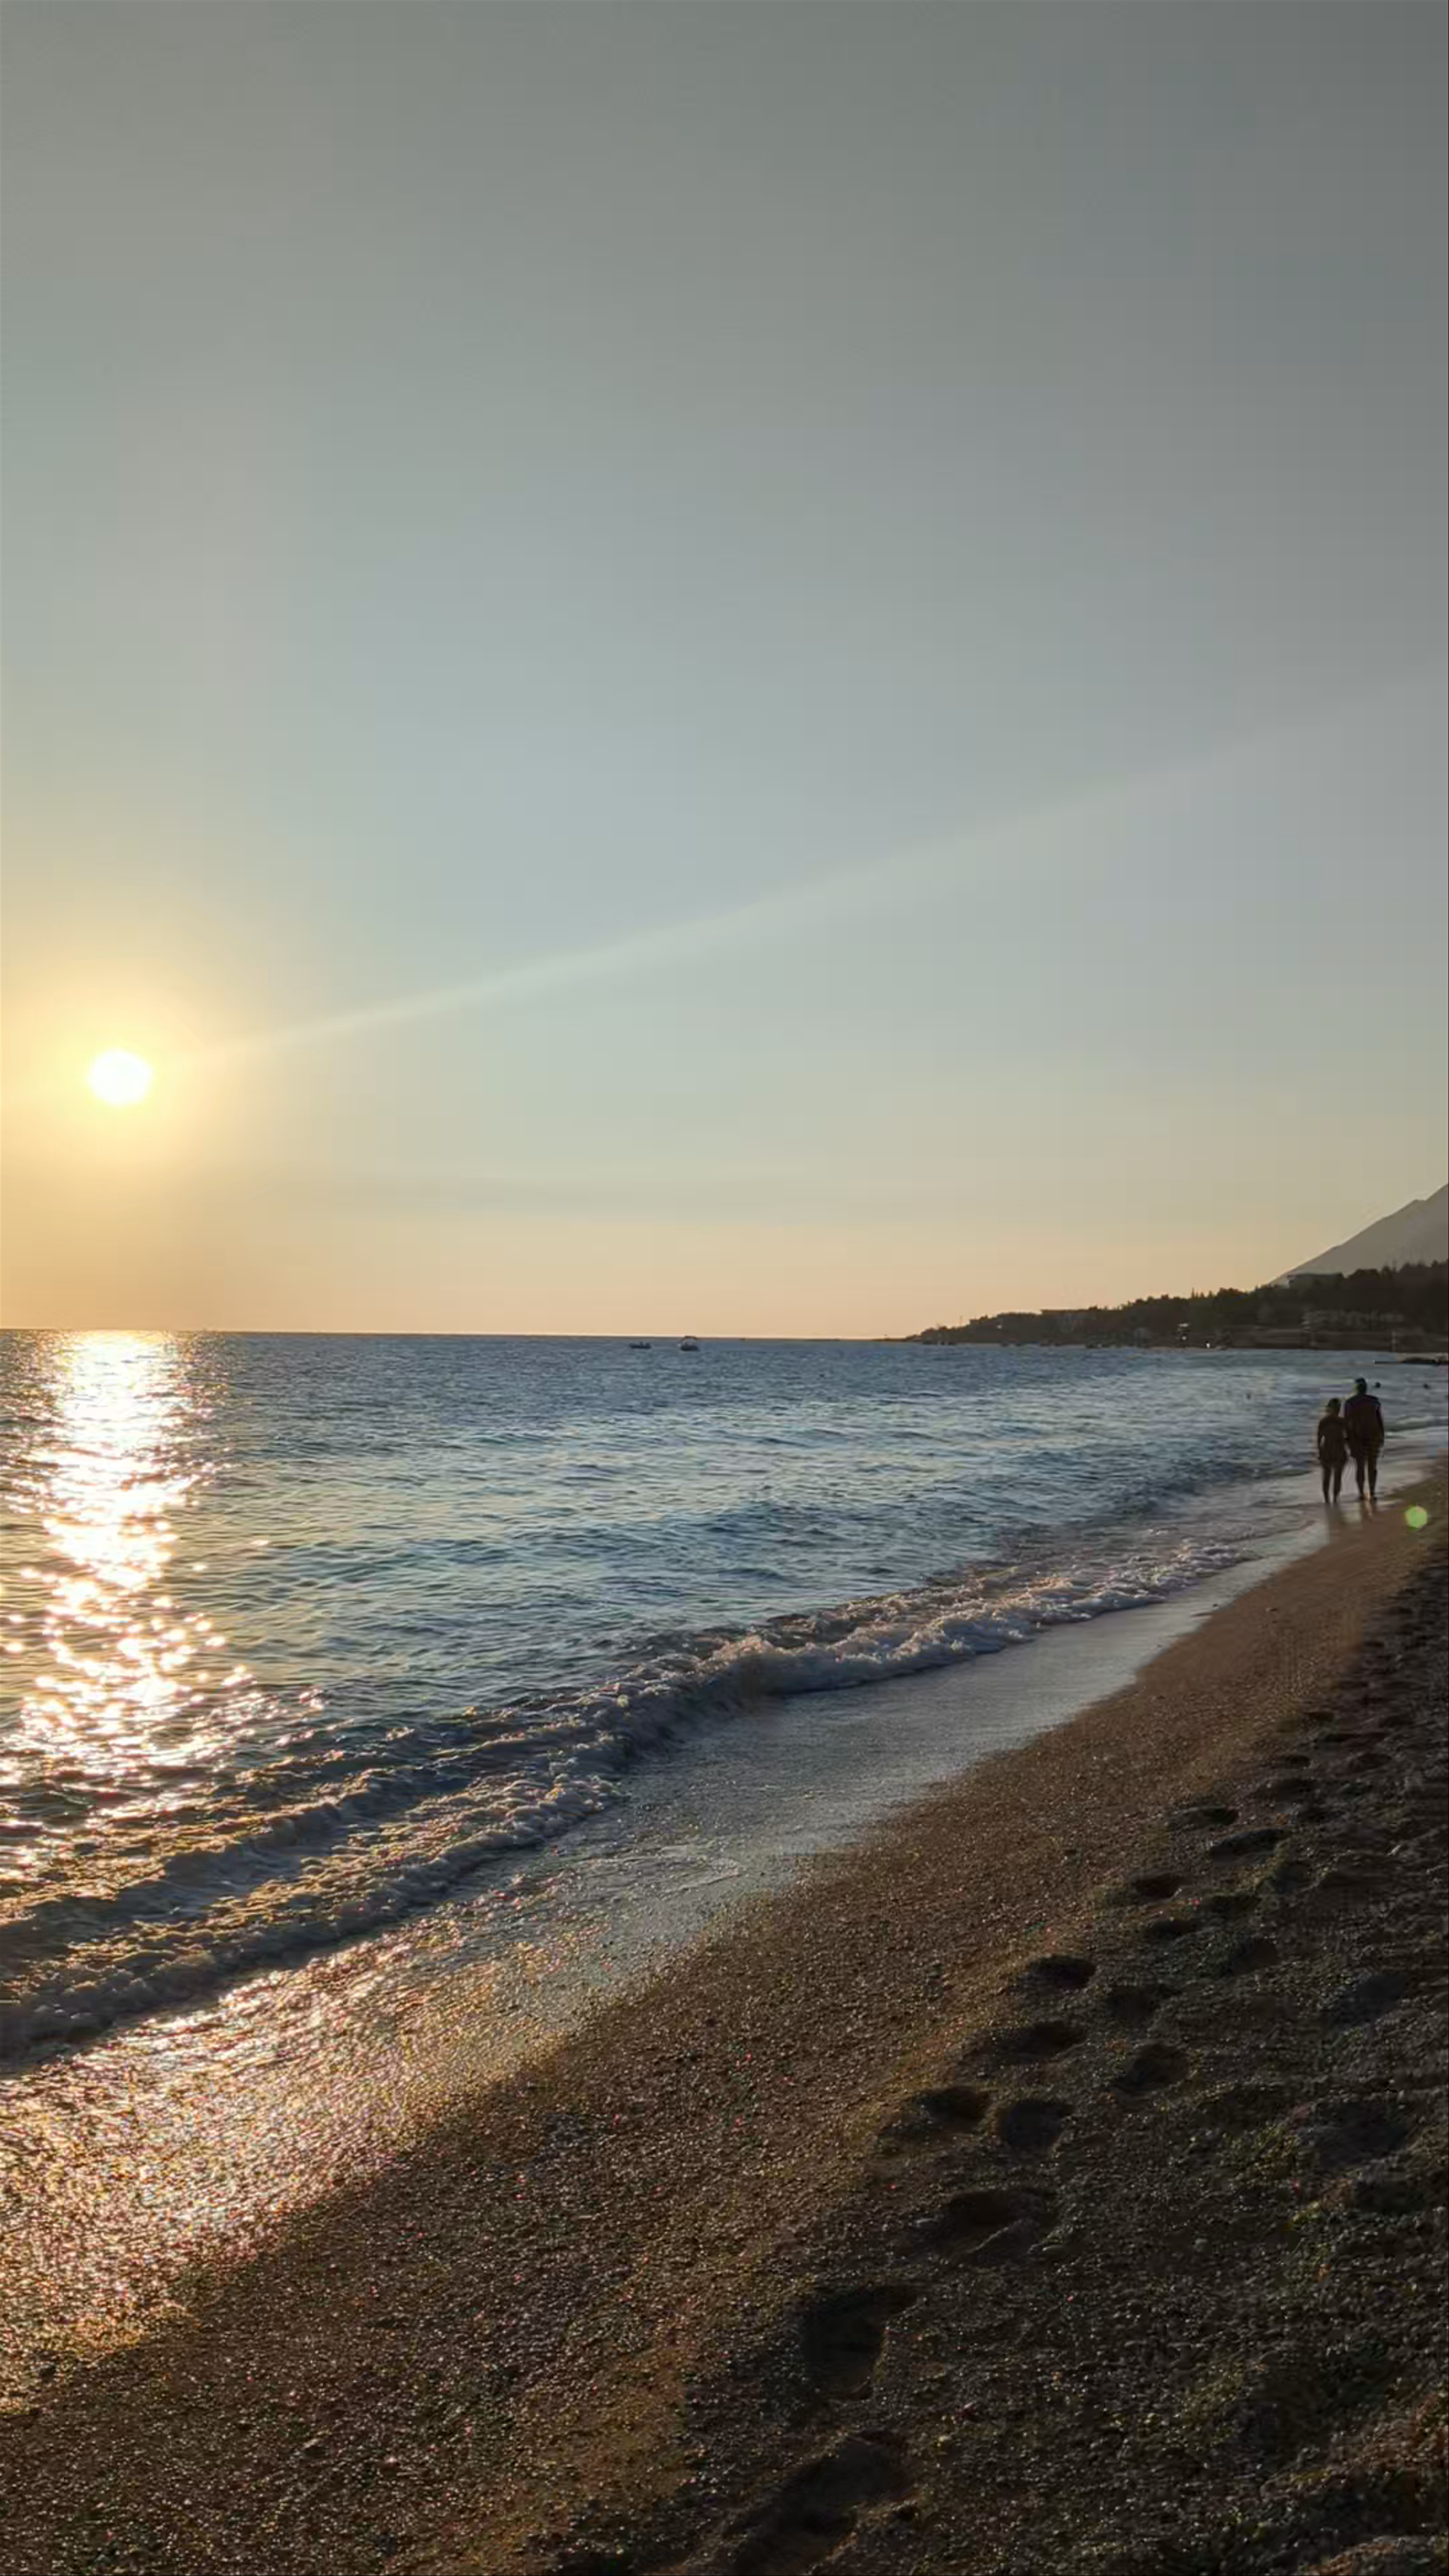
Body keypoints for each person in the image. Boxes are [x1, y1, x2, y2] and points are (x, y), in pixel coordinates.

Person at [1343, 1376, 1386, 1499]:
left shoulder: (1350, 1403)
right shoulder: (1375, 1401)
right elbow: (1380, 1421)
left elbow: (1347, 1423)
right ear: (1366, 1389)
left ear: (1356, 1389)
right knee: (1373, 1466)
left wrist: (1347, 1440)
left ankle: (1361, 1494)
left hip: (1358, 1438)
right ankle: (1372, 1493)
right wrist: (1382, 1437)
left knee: (1360, 1466)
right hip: (1374, 1436)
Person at [1316, 1396, 1350, 1503]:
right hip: (1340, 1452)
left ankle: (1327, 1500)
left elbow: (1319, 1440)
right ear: (1339, 1409)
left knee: (1327, 1477)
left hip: (1327, 1452)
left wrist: (1320, 1453)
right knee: (1337, 1477)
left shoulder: (1323, 1422)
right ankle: (1335, 1499)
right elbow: (1348, 1438)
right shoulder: (1343, 1422)